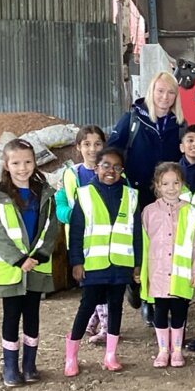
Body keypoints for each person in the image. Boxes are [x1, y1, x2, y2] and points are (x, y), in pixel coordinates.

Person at [0, 139, 59, 387]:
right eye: (16, 163)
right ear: (6, 165)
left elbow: (51, 227)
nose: (22, 167)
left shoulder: (45, 193)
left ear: (35, 163)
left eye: (28, 161)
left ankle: (30, 365)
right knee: (10, 317)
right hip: (11, 270)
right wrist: (18, 260)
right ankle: (10, 366)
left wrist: (39, 255)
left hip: (37, 266)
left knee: (32, 315)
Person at [65, 147, 141, 376]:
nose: (111, 171)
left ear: (122, 171)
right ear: (96, 168)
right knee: (86, 307)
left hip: (120, 264)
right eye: (106, 165)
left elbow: (136, 233)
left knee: (116, 308)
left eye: (117, 167)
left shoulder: (131, 196)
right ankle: (71, 357)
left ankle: (110, 355)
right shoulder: (84, 194)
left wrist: (137, 264)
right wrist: (76, 262)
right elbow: (76, 232)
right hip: (93, 265)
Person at [140, 162, 195, 369]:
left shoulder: (193, 212)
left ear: (182, 184)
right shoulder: (149, 212)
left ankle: (176, 351)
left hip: (181, 274)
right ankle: (162, 350)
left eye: (176, 182)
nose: (171, 187)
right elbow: (143, 245)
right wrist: (141, 273)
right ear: (157, 186)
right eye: (165, 183)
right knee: (160, 312)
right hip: (157, 273)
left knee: (179, 312)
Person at [55, 125, 109, 345]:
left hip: (105, 241)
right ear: (78, 148)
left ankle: (106, 326)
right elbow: (60, 204)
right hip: (80, 240)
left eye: (97, 144)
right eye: (86, 144)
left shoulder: (111, 172)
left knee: (103, 282)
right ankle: (95, 318)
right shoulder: (71, 174)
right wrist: (73, 216)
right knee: (87, 282)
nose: (92, 149)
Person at [107, 71, 184, 210]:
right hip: (134, 195)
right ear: (151, 91)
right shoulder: (132, 120)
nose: (165, 97)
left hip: (167, 197)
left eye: (171, 92)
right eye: (160, 91)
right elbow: (110, 153)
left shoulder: (180, 126)